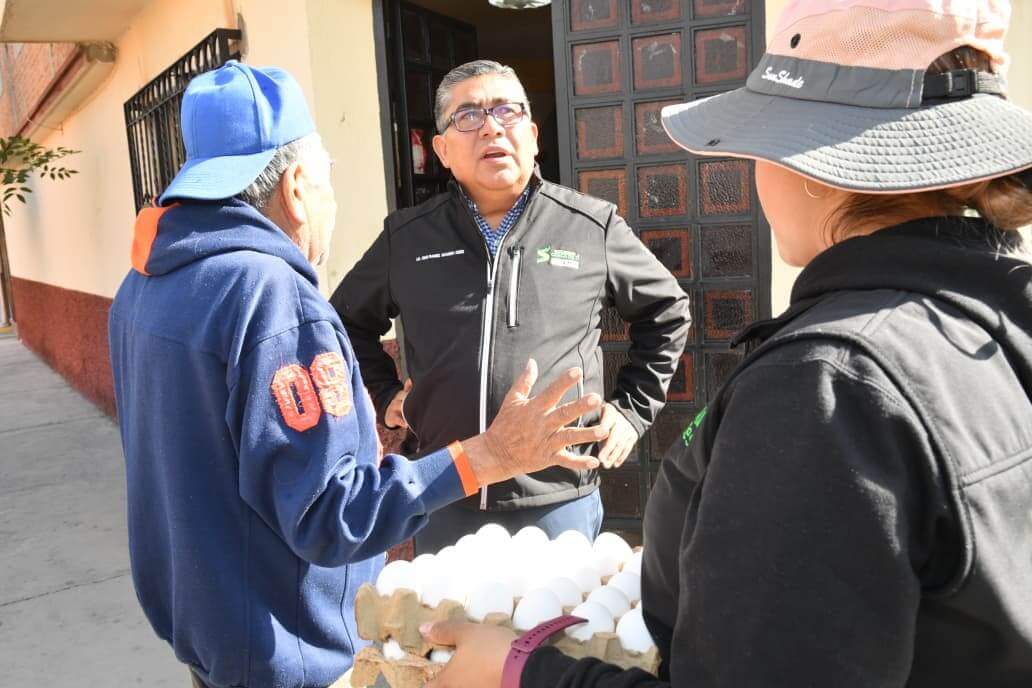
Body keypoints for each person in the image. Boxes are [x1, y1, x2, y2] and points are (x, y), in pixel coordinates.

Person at [420, 1, 1032, 686]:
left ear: (812, 161)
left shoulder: (827, 390)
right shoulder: (994, 315)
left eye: (757, 145)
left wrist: (522, 673)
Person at [107, 61, 608, 688]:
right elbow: (332, 516)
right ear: (295, 188)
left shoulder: (143, 285)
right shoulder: (270, 298)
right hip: (289, 656)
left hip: (211, 640)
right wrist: (487, 454)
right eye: (327, 178)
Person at [331, 60, 690, 553]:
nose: (492, 126)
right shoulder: (407, 238)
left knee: (559, 630)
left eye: (507, 111)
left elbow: (667, 312)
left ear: (534, 135)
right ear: (441, 149)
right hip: (443, 490)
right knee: (445, 630)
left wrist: (630, 411)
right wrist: (382, 391)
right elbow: (343, 322)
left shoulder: (590, 226)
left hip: (558, 496)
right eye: (469, 116)